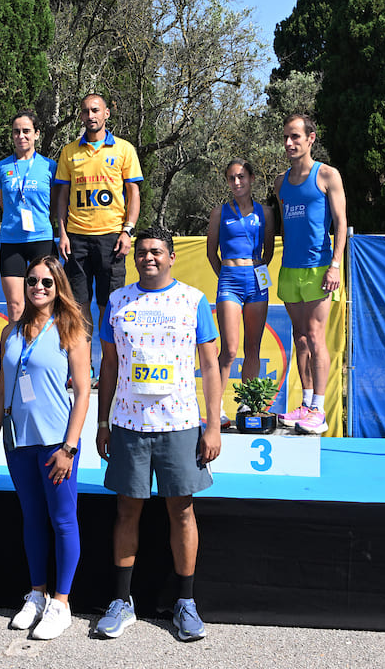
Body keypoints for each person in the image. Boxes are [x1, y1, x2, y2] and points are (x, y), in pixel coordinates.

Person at [93, 227, 222, 642]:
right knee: (127, 511)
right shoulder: (117, 301)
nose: (149, 257)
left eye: (156, 252)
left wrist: (214, 425)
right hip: (129, 425)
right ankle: (121, 602)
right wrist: (102, 422)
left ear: (171, 258)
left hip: (180, 424)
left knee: (181, 510)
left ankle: (185, 602)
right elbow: (109, 366)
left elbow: (211, 365)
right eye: (143, 252)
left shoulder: (194, 300)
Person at [0, 256, 91, 640]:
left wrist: (70, 447)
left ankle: (61, 602)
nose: (38, 288)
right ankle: (37, 594)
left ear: (58, 285)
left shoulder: (71, 331)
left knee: (62, 520)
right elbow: (0, 392)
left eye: (46, 282)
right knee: (32, 520)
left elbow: (82, 395)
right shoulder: (10, 332)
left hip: (55, 444)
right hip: (18, 443)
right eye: (32, 281)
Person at [274, 114, 347, 435]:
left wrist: (335, 264)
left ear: (311, 139)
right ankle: (305, 404)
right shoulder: (280, 182)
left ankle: (319, 409)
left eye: (296, 137)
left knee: (316, 338)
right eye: (286, 138)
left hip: (320, 268)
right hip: (290, 268)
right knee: (299, 337)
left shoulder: (327, 175)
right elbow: (286, 228)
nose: (290, 143)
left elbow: (341, 223)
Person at [53, 93, 143, 328]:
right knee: (78, 307)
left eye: (95, 110)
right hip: (77, 239)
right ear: (81, 116)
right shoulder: (69, 151)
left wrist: (128, 232)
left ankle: (109, 364)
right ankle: (85, 365)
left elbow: (134, 193)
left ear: (106, 113)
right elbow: (62, 197)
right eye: (86, 111)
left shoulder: (124, 149)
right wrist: (62, 234)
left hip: (111, 238)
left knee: (111, 306)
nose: (90, 115)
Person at [205, 159, 275, 424]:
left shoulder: (265, 212)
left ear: (252, 178)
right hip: (229, 281)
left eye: (241, 177)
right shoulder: (219, 212)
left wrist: (256, 269)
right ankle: (216, 409)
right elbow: (211, 252)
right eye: (232, 178)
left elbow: (268, 250)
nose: (236, 182)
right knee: (230, 350)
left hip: (256, 281)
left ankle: (247, 405)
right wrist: (225, 276)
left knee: (253, 348)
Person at [0, 110, 58, 323]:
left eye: (26, 131)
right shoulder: (1, 168)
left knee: (45, 300)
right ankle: (17, 350)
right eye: (16, 132)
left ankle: (42, 349)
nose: (21, 136)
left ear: (37, 134)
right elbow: (4, 204)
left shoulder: (49, 166)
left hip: (41, 239)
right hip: (12, 241)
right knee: (16, 304)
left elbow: (55, 205)